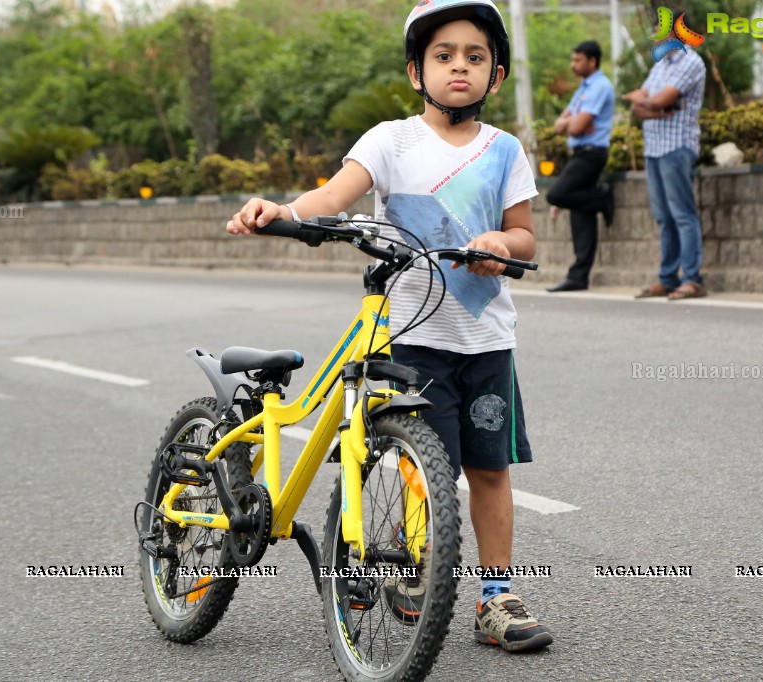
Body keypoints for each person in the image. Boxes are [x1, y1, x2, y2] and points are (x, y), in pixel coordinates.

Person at [227, 0, 553, 654]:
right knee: (416, 462)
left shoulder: (505, 151)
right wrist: (282, 210)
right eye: (443, 55)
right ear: (415, 71)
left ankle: (496, 597)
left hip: (486, 341)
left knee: (488, 470)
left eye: (474, 57)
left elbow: (525, 235)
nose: (458, 66)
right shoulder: (390, 140)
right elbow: (332, 197)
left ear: (495, 75)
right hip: (412, 336)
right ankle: (409, 565)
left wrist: (502, 243)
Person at [623, 20, 707, 300]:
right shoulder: (661, 65)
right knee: (663, 217)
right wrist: (651, 104)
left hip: (677, 146)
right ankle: (668, 278)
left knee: (683, 215)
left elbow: (659, 100)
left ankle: (692, 279)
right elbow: (640, 106)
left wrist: (651, 103)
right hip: (654, 148)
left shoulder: (690, 62)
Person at [545, 40, 616, 293]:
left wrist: (573, 123)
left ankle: (601, 196)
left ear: (592, 61)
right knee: (580, 216)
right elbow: (560, 123)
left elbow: (573, 126)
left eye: (578, 60)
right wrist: (572, 123)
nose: (573, 65)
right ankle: (578, 276)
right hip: (580, 152)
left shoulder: (599, 87)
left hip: (591, 153)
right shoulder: (584, 88)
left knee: (557, 195)